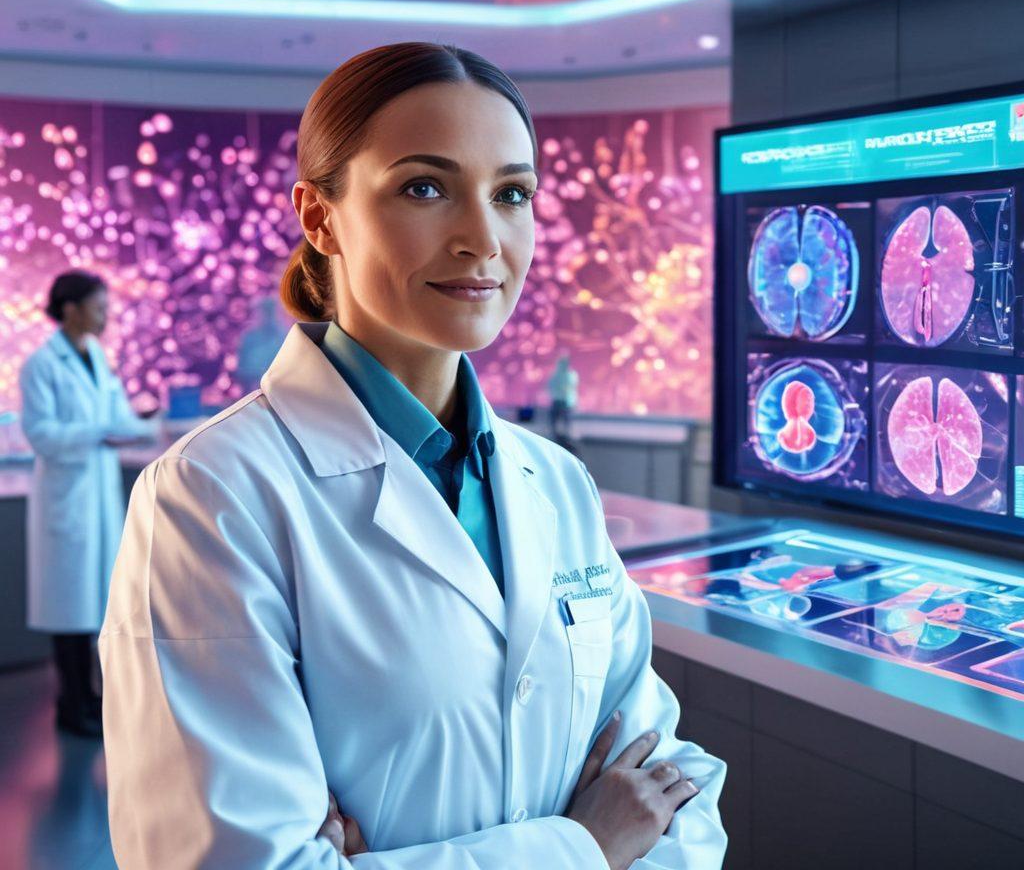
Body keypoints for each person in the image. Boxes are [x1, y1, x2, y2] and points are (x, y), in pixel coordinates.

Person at [99, 43, 727, 869]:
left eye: (512, 194)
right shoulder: (213, 498)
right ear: (320, 217)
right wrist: (584, 846)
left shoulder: (556, 483)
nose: (482, 238)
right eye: (424, 187)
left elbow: (676, 800)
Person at [19, 271, 157, 737]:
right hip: (66, 499)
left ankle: (92, 699)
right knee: (69, 609)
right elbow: (42, 435)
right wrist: (101, 432)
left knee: (96, 602)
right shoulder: (42, 364)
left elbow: (114, 417)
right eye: (99, 307)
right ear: (71, 307)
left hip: (95, 497)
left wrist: (141, 422)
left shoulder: (97, 356)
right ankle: (71, 703)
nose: (107, 317)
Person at [548, 352, 579, 440]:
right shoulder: (557, 374)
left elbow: (570, 387)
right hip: (559, 401)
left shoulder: (570, 375)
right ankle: (559, 437)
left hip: (565, 402)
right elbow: (551, 386)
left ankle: (566, 437)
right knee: (557, 421)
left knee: (565, 421)